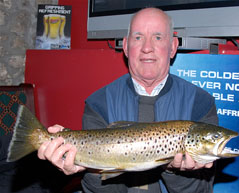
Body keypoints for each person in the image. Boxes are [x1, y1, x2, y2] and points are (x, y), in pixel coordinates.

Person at [38, 7, 218, 193]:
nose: (147, 48)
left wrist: (174, 171)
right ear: (125, 46)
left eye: (157, 37)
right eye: (138, 37)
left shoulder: (200, 103)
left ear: (172, 47)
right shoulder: (99, 103)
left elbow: (202, 190)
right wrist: (89, 169)